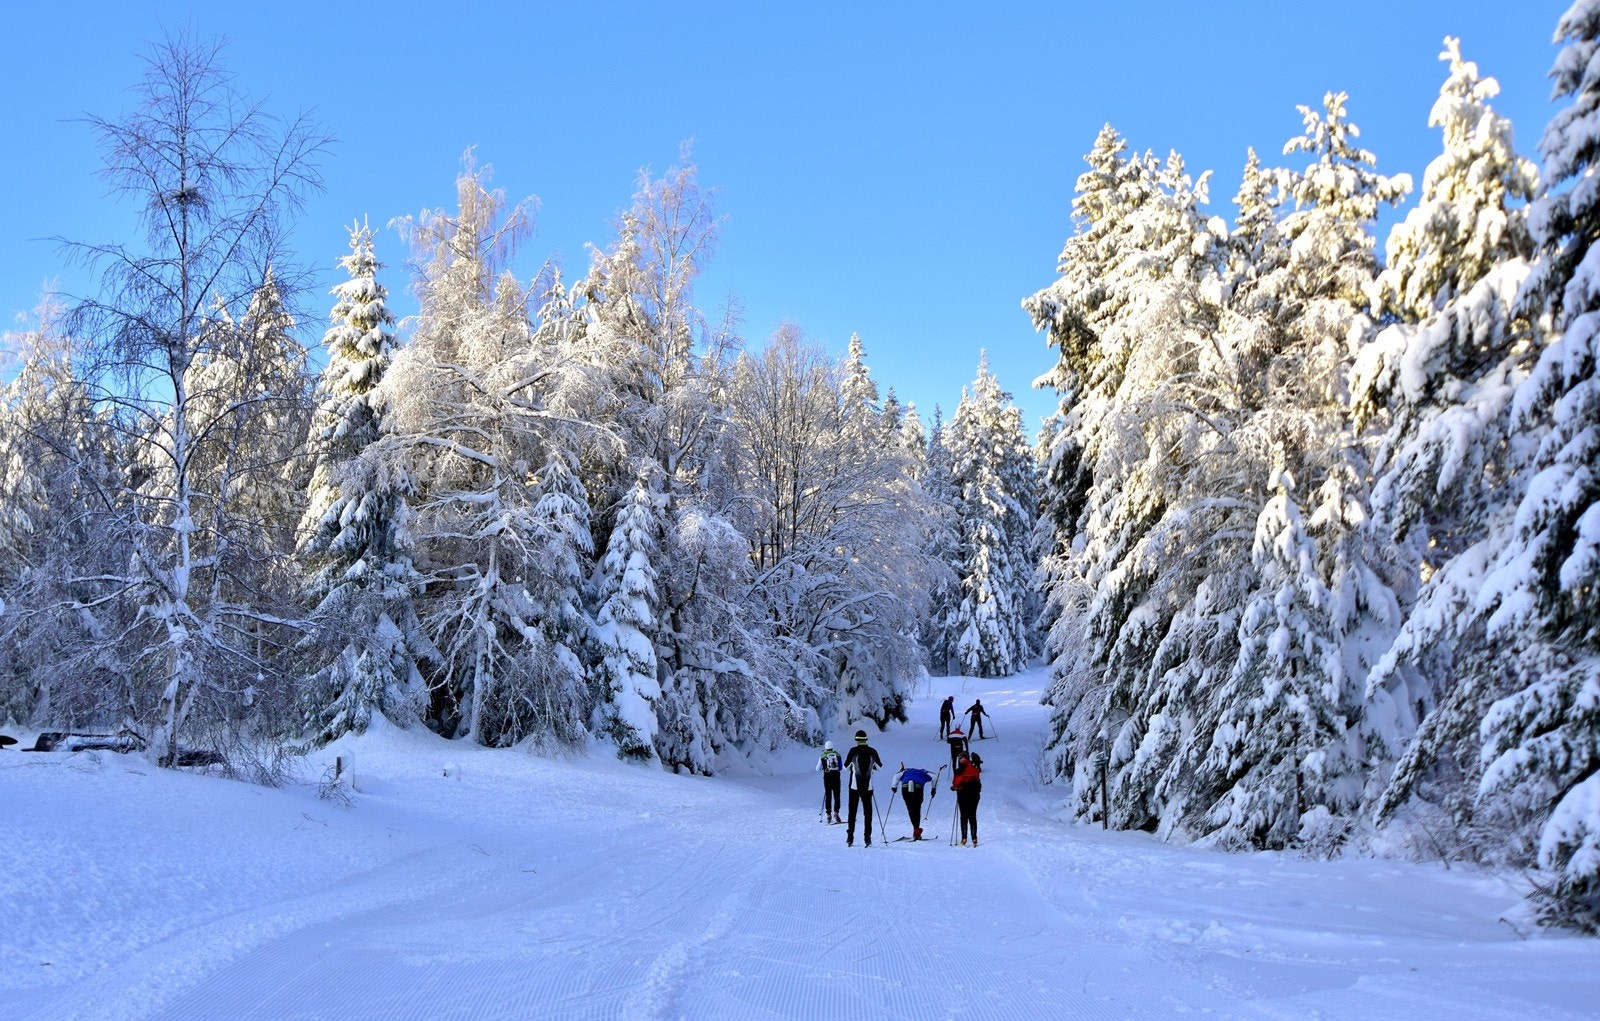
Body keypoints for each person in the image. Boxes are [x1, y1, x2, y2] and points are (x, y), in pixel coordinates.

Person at [842, 729, 884, 847]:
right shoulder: (872, 751)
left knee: (852, 813)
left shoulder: (853, 751)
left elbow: (845, 768)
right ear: (866, 739)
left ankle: (850, 838)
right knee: (868, 814)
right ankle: (867, 839)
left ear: (856, 740)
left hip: (854, 787)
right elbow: (880, 767)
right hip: (868, 787)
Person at [892, 762, 935, 840]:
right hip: (918, 788)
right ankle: (916, 832)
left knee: (911, 809)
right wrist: (933, 789)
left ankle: (916, 831)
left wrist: (894, 787)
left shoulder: (905, 772)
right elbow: (935, 777)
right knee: (917, 809)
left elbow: (896, 776)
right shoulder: (924, 772)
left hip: (905, 788)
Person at [952, 751, 983, 846]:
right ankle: (974, 838)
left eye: (961, 758)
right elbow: (977, 779)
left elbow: (956, 783)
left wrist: (956, 787)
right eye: (959, 758)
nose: (960, 759)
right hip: (975, 795)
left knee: (964, 816)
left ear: (965, 758)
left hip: (963, 795)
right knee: (972, 815)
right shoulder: (974, 768)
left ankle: (964, 838)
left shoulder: (960, 770)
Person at [817, 740, 842, 824]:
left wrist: (823, 768)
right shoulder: (837, 755)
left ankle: (828, 814)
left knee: (828, 795)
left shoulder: (823, 756)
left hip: (827, 778)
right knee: (837, 795)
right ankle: (836, 813)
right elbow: (841, 767)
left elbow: (817, 769)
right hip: (836, 777)